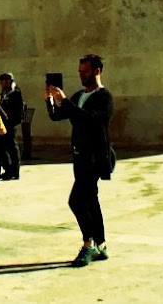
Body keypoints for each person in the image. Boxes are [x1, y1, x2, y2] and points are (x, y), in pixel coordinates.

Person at [47, 53, 115, 267]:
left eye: (85, 71)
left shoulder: (104, 98)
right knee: (90, 200)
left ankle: (89, 245)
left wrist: (65, 102)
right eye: (79, 72)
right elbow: (57, 116)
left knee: (76, 201)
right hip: (80, 156)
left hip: (96, 157)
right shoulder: (78, 96)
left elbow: (92, 121)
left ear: (97, 71)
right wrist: (50, 100)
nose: (81, 75)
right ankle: (102, 246)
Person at [0, 72, 24, 180]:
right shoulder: (5, 92)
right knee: (3, 147)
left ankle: (14, 171)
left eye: (2, 81)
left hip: (10, 123)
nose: (1, 83)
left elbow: (17, 109)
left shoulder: (15, 92)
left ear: (8, 81)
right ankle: (8, 169)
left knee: (11, 147)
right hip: (4, 123)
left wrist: (10, 117)